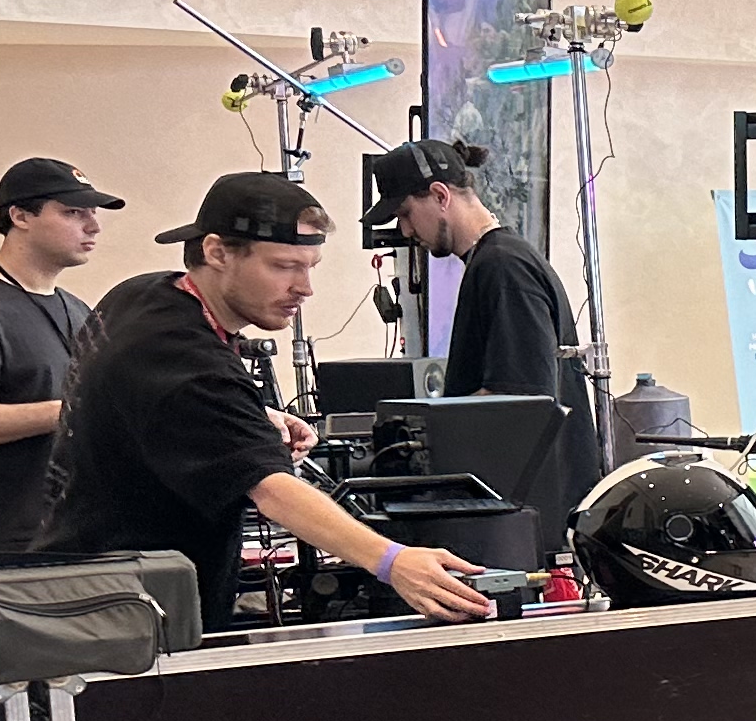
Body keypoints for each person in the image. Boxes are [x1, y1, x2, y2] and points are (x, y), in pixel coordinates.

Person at [43, 172, 493, 630]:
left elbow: (157, 404)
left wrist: (253, 417)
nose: (305, 287)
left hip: (84, 584)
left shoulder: (143, 295)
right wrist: (393, 561)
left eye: (310, 266)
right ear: (217, 252)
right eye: (284, 266)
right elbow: (273, 490)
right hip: (128, 617)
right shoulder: (186, 356)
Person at [0, 158, 123, 555]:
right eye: (73, 212)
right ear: (20, 216)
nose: (93, 226)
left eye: (93, 213)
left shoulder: (79, 310)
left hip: (74, 536)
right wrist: (71, 411)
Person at [375, 138, 574, 403]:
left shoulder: (503, 267)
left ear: (440, 195)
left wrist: (429, 419)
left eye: (406, 214)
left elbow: (520, 400)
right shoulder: (496, 259)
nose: (406, 231)